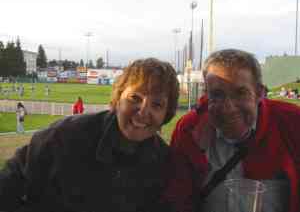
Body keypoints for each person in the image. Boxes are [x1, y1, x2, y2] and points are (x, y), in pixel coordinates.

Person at [0, 58, 179, 212]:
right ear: (118, 99)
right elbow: (13, 177)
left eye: (156, 105)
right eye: (135, 98)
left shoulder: (163, 163)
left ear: (166, 115)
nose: (143, 112)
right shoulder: (68, 134)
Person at [163, 49, 300, 212]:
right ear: (206, 95)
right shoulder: (189, 130)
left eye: (240, 93)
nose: (228, 108)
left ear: (259, 93)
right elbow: (178, 199)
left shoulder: (292, 122)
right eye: (217, 95)